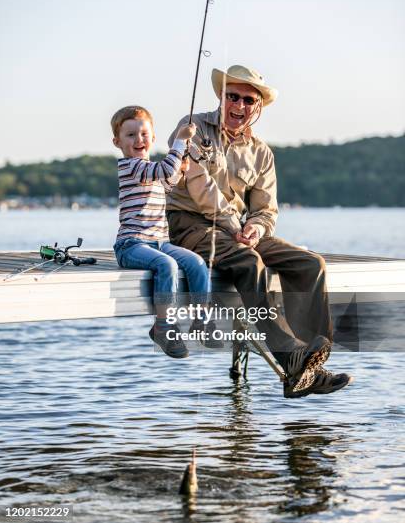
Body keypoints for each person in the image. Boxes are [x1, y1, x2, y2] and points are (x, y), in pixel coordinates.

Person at [166, 65, 353, 397]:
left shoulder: (262, 152)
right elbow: (200, 186)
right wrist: (236, 226)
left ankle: (310, 369)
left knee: (312, 265)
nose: (239, 106)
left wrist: (255, 227)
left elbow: (266, 209)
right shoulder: (192, 128)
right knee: (249, 262)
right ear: (221, 97)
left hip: (237, 231)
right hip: (191, 225)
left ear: (259, 107)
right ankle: (291, 357)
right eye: (232, 96)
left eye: (248, 100)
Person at [111, 105, 220, 359]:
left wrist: (181, 169)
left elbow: (168, 182)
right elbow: (163, 171)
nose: (139, 140)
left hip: (160, 240)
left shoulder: (151, 169)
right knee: (167, 266)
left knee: (196, 263)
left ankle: (201, 321)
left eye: (144, 134)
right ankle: (163, 327)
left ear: (153, 138)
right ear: (117, 142)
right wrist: (180, 142)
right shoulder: (131, 167)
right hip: (131, 244)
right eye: (130, 135)